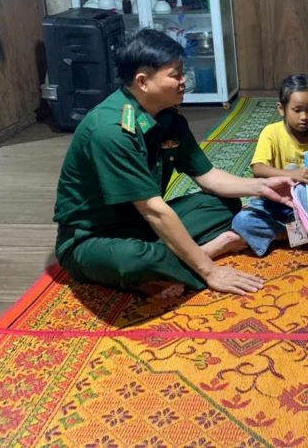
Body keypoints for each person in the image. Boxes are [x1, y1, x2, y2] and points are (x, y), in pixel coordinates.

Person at [53, 29, 294, 297]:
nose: (184, 81)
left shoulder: (168, 119)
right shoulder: (111, 130)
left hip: (141, 223)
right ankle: (200, 253)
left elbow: (209, 176)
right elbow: (154, 210)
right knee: (137, 260)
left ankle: (172, 262)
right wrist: (210, 271)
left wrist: (262, 186)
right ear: (143, 81)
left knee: (223, 203)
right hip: (93, 237)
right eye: (175, 74)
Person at [231, 74, 308, 254]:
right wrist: (293, 174)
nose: (304, 117)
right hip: (273, 202)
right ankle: (292, 235)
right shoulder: (271, 133)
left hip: (303, 207)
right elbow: (258, 168)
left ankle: (302, 232)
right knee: (242, 221)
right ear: (281, 109)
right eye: (297, 110)